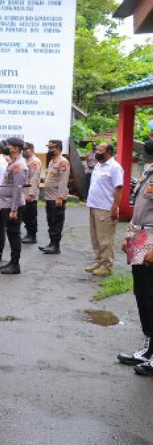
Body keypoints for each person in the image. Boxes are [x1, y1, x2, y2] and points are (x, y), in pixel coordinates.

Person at [117, 142, 153, 376]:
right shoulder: (148, 173)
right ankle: (149, 349)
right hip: (140, 236)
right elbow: (139, 208)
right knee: (143, 294)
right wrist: (129, 237)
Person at [84, 143, 124, 276]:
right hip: (94, 206)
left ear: (109, 152)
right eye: (97, 149)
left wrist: (115, 208)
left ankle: (107, 265)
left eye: (100, 150)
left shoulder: (115, 167)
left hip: (106, 208)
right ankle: (99, 261)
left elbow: (119, 188)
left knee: (105, 239)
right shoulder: (98, 165)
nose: (97, 152)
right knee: (95, 237)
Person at [0, 137, 28, 275]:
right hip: (7, 203)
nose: (6, 147)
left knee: (14, 235)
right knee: (11, 233)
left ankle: (15, 264)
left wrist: (13, 210)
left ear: (15, 148)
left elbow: (17, 188)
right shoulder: (14, 163)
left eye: (8, 145)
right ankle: (12, 261)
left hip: (12, 206)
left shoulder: (19, 166)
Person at [40, 139, 70, 254]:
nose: (49, 150)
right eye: (49, 148)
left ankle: (56, 246)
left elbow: (63, 180)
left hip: (56, 198)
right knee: (50, 221)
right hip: (49, 197)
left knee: (56, 221)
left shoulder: (63, 162)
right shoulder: (53, 161)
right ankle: (51, 243)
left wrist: (60, 197)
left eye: (51, 148)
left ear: (58, 148)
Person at [21, 142, 41, 244]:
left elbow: (34, 178)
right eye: (23, 149)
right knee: (25, 215)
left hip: (30, 193)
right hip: (24, 192)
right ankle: (28, 233)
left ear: (31, 150)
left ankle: (32, 235)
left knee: (31, 215)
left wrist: (31, 194)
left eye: (26, 149)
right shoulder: (26, 161)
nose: (24, 151)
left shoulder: (34, 162)